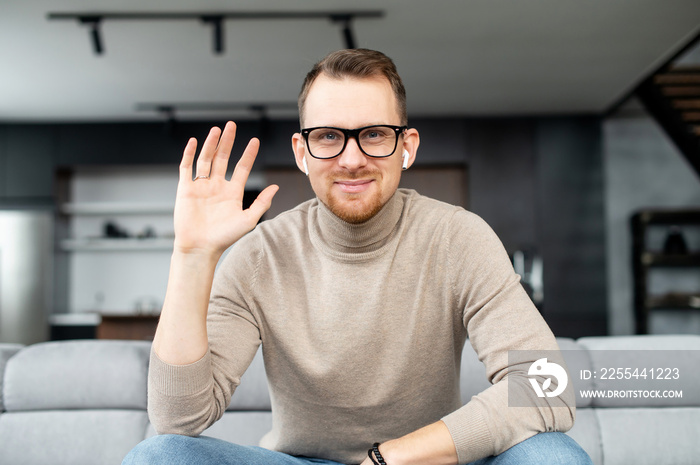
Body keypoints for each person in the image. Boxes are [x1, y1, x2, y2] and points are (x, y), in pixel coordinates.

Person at [123, 49, 592, 465]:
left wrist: (388, 459)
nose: (351, 159)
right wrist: (192, 256)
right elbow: (177, 419)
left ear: (406, 146)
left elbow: (545, 387)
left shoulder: (458, 238)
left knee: (554, 456)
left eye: (373, 133)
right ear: (302, 151)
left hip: (424, 461)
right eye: (328, 136)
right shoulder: (258, 256)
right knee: (158, 458)